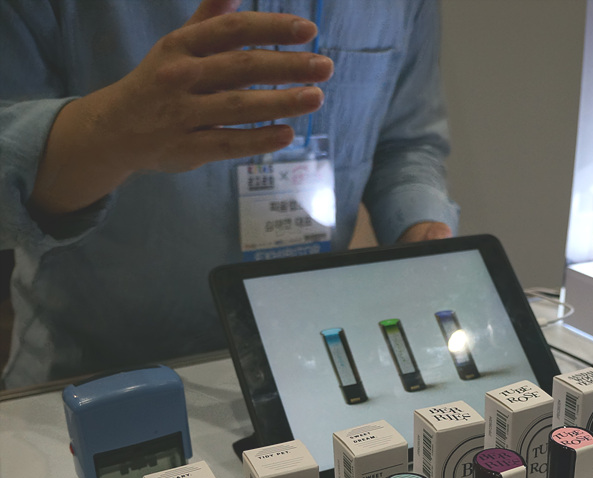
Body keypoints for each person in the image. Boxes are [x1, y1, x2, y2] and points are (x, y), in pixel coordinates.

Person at [0, 0, 458, 389]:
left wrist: (420, 228)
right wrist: (110, 131)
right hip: (98, 381)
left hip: (310, 370)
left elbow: (405, 142)